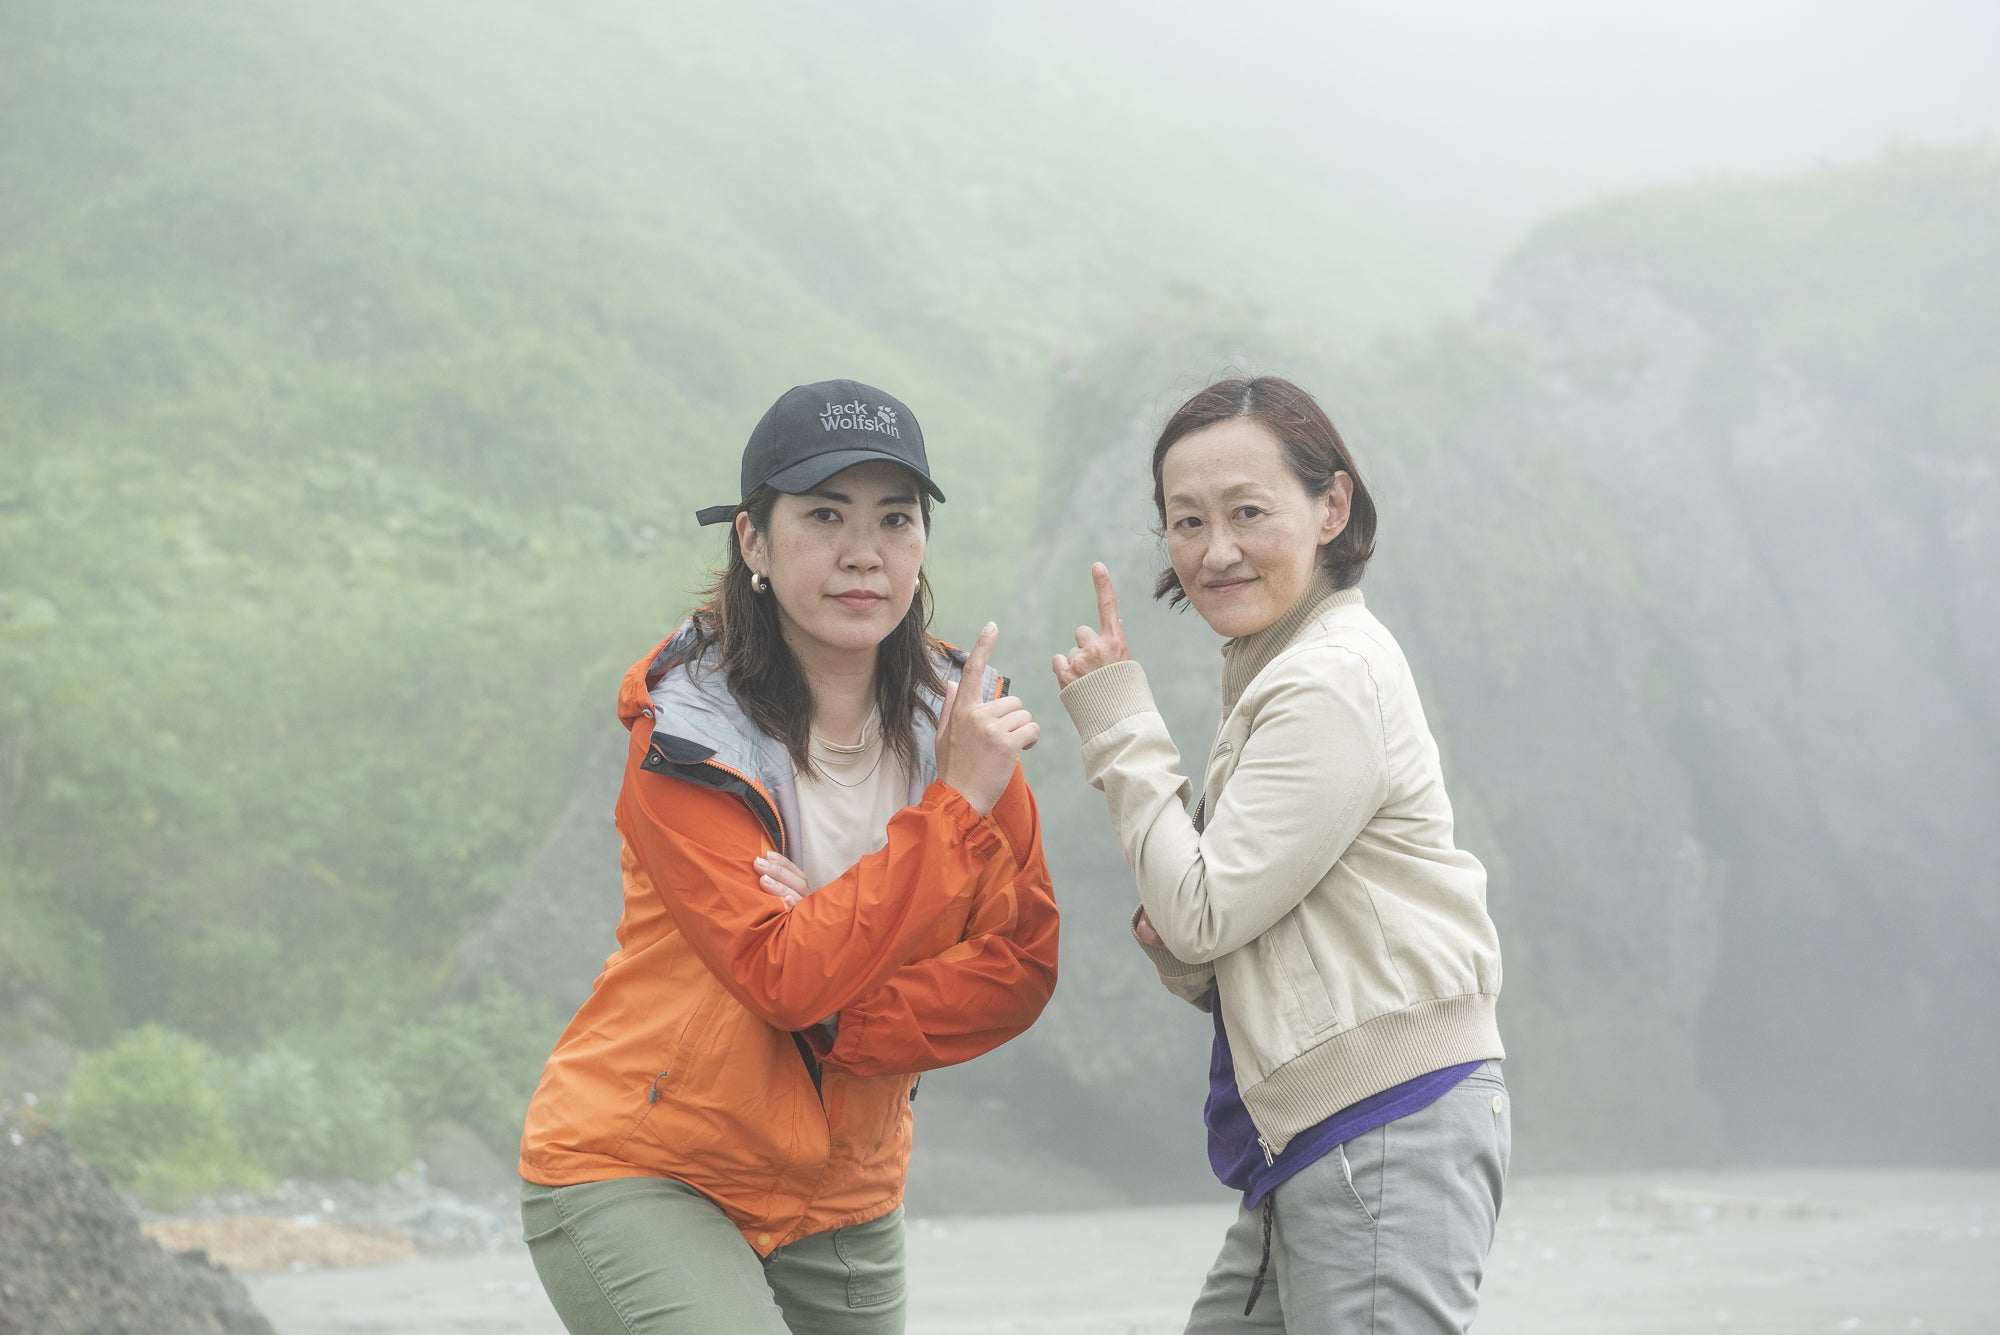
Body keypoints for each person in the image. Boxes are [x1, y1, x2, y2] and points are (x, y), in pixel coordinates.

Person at [519, 378, 1059, 1334]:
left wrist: (841, 996)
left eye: (895, 518)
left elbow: (1019, 967)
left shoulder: (960, 728)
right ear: (753, 542)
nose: (863, 552)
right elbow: (781, 975)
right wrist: (950, 811)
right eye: (824, 515)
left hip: (845, 1191)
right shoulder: (687, 734)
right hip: (646, 1163)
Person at [1051, 376, 1507, 1333]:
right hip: (1319, 1131)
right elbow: (1245, 933)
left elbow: (1202, 910)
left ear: (1331, 507)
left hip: (1384, 1122)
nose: (1215, 549)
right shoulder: (1282, 672)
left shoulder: (1329, 678)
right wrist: (1190, 954)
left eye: (1247, 512)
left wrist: (1120, 721)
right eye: (1187, 521)